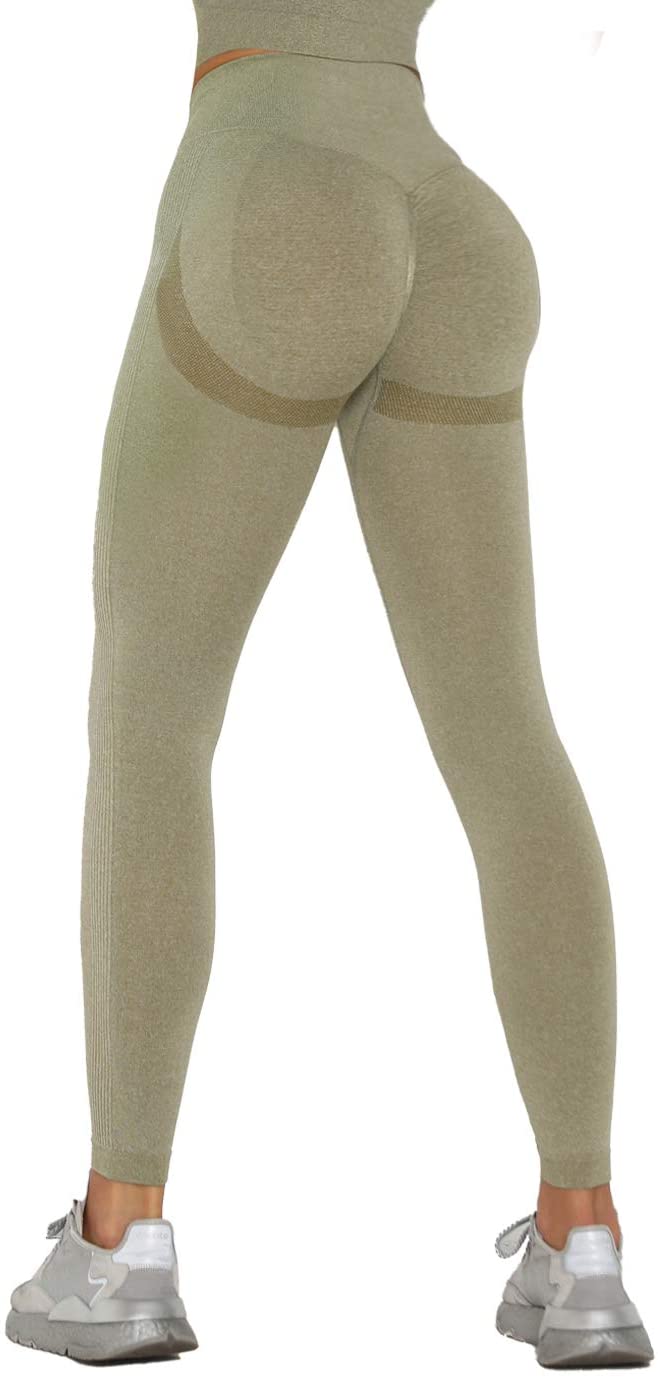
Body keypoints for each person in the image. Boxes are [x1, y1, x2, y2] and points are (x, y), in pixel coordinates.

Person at [5, 2, 653, 1367]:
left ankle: (116, 1246)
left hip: (274, 190)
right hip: (456, 218)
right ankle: (583, 1239)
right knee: (507, 729)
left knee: (151, 707)